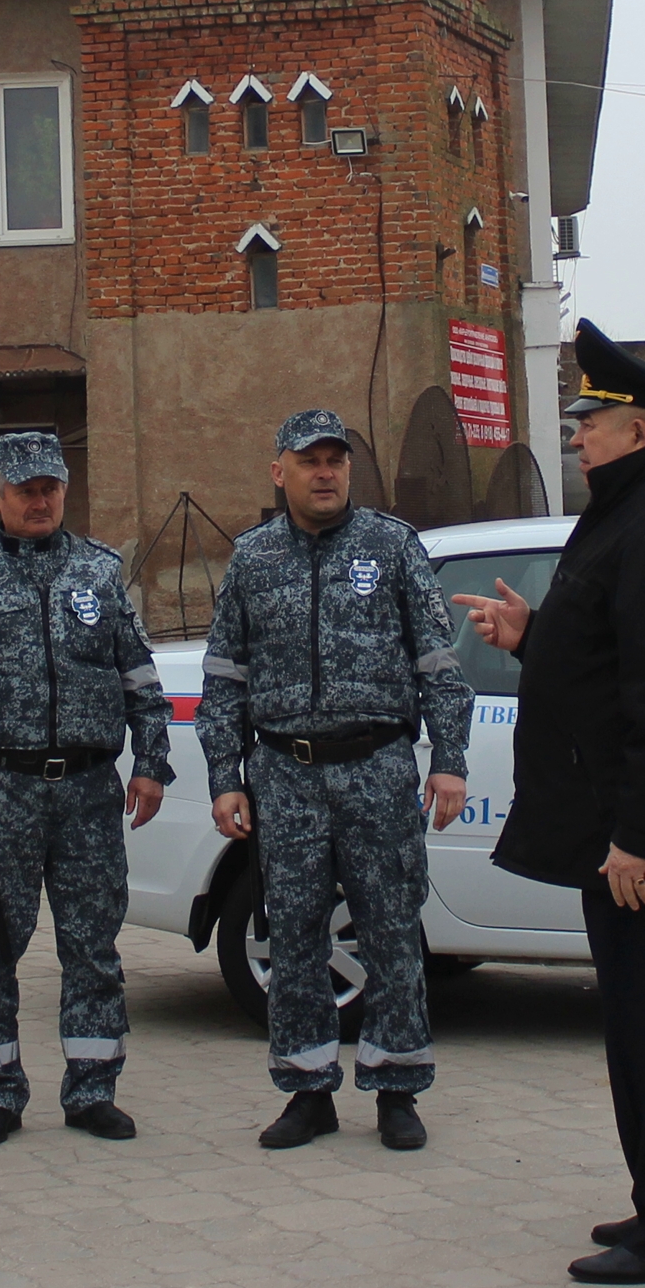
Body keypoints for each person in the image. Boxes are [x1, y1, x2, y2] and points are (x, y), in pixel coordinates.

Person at [456, 323, 645, 1285]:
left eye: (590, 422)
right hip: (631, 837)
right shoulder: (639, 507)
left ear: (638, 429)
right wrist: (533, 635)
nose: (575, 436)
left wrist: (639, 837)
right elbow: (612, 661)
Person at [197, 410, 472, 1153]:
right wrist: (227, 777)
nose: (325, 472)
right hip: (285, 773)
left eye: (336, 460)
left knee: (391, 932)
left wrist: (449, 757)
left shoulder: (390, 546)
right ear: (278, 470)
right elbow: (223, 681)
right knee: (292, 936)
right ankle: (307, 1088)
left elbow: (439, 665)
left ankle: (396, 1087)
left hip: (378, 769)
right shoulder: (252, 559)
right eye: (309, 460)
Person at [0, 431, 175, 1145]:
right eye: (24, 489)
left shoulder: (99, 570)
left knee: (93, 946)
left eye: (50, 487)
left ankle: (92, 1089)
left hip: (88, 790)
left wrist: (151, 762)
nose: (40, 500)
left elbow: (140, 679)